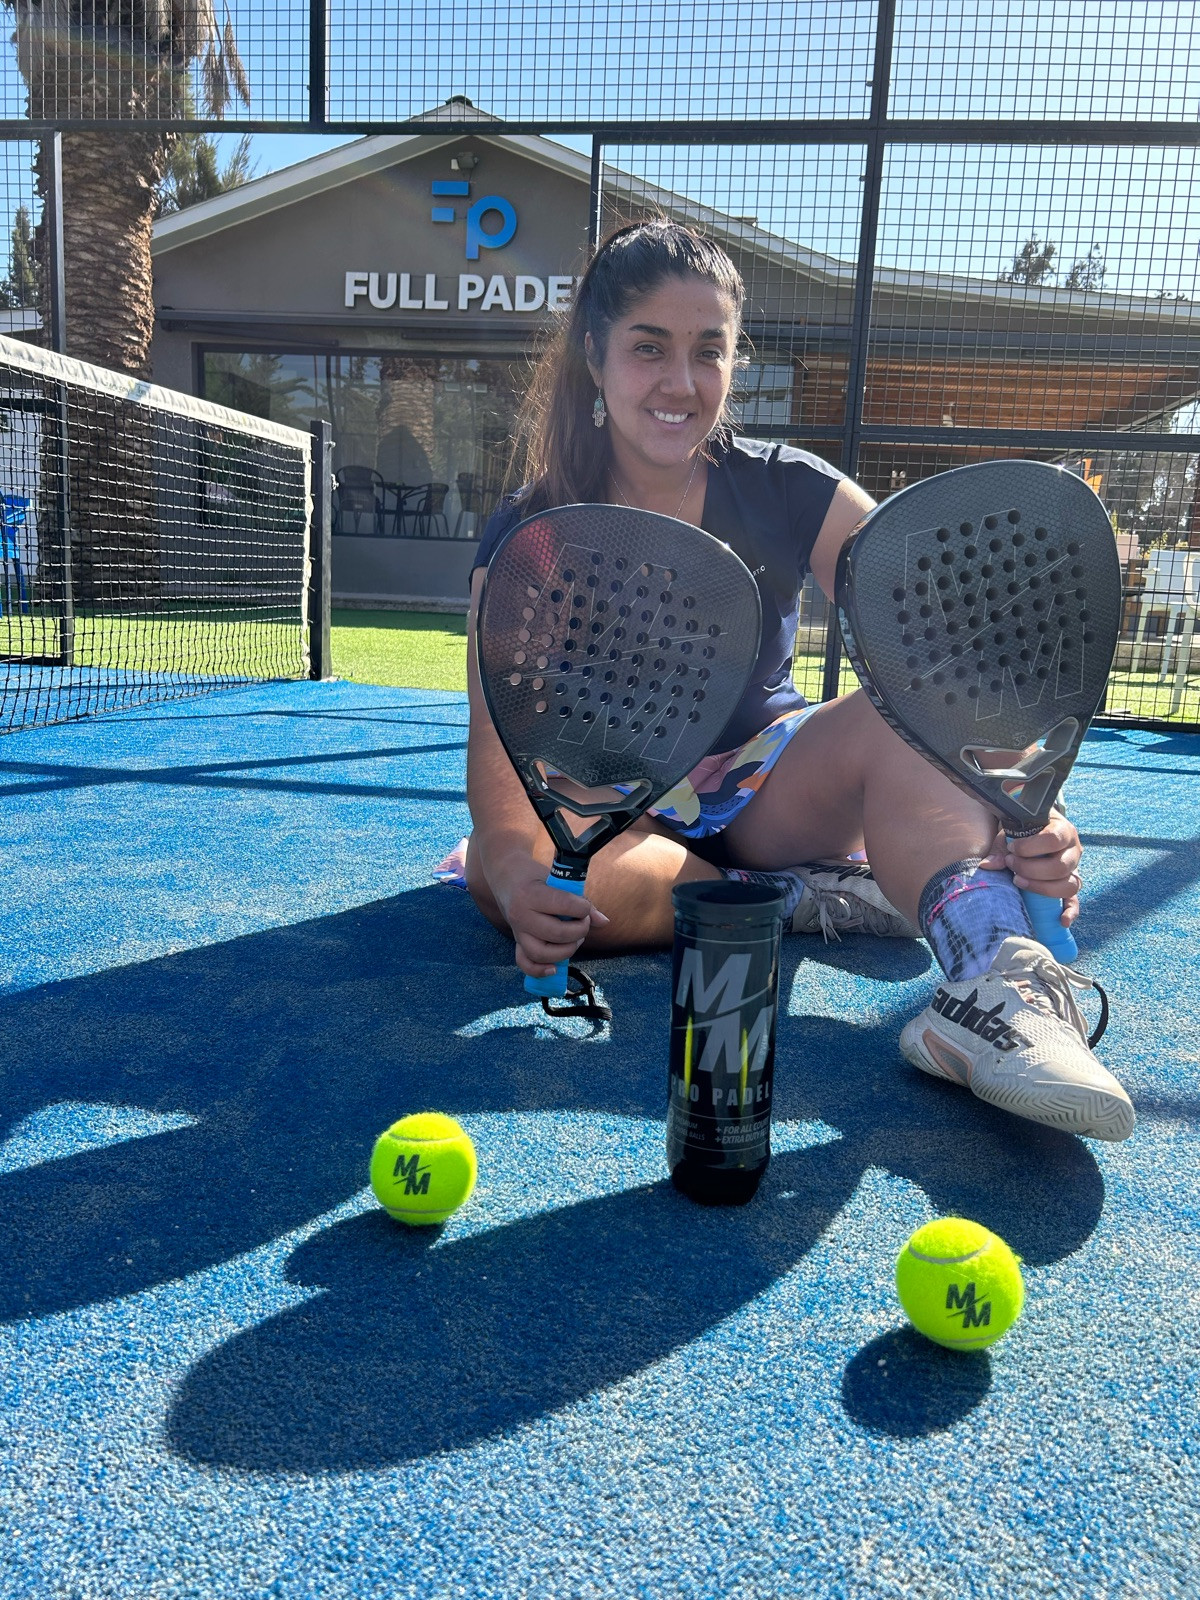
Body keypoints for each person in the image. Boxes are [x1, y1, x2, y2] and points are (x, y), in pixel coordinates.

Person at [458, 219, 1133, 1143]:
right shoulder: (528, 531)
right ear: (595, 354)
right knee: (504, 874)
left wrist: (1018, 808)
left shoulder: (791, 489)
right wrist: (509, 869)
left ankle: (995, 985)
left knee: (898, 721)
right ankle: (799, 898)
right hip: (613, 810)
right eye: (649, 348)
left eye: (709, 351)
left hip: (772, 783)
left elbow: (938, 658)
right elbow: (496, 740)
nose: (681, 383)